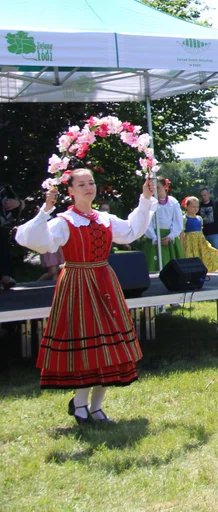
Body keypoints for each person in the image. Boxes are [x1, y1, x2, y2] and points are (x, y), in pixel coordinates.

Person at [14, 169, 154, 424]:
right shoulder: (64, 221)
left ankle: (97, 407)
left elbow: (132, 230)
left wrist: (145, 199)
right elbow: (34, 240)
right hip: (78, 283)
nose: (88, 187)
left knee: (109, 347)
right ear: (71, 191)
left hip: (105, 281)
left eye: (91, 182)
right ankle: (80, 405)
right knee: (85, 344)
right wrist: (45, 209)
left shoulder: (105, 218)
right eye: (81, 184)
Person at [141, 178, 183, 271]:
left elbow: (177, 221)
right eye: (153, 188)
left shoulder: (173, 202)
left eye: (158, 187)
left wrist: (171, 236)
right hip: (154, 236)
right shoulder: (150, 202)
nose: (155, 190)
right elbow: (147, 221)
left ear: (165, 187)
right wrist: (154, 237)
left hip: (168, 237)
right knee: (152, 266)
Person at [180, 197, 218, 273]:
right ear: (186, 207)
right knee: (191, 257)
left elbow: (201, 232)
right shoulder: (184, 218)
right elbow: (182, 234)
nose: (196, 209)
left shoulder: (199, 218)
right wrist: (181, 245)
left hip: (200, 241)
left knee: (214, 253)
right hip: (190, 242)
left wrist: (205, 241)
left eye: (197, 207)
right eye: (193, 207)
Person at [197, 188, 218, 273]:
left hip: (214, 233)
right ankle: (205, 271)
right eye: (202, 195)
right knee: (204, 253)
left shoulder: (215, 204)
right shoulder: (199, 206)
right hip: (203, 233)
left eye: (205, 195)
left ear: (209, 195)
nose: (204, 197)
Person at [1, 182, 25, 290]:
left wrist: (17, 203)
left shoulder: (3, 187)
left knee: (3, 250)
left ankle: (5, 277)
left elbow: (21, 203)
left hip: (2, 226)